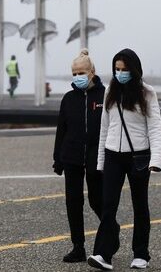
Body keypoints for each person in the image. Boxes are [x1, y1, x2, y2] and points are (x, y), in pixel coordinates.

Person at [88, 49, 161, 271]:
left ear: (134, 70)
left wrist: (156, 159)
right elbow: (104, 127)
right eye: (117, 69)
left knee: (140, 205)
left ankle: (141, 254)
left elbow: (156, 128)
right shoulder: (110, 91)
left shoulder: (147, 93)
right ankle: (103, 254)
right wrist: (101, 161)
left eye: (124, 69)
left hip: (138, 156)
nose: (120, 73)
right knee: (108, 205)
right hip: (113, 154)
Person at [53, 49, 105, 263]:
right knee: (73, 202)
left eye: (81, 73)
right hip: (72, 157)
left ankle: (110, 233)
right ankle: (78, 247)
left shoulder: (104, 96)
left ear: (92, 72)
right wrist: (58, 159)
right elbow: (61, 130)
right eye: (74, 73)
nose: (77, 77)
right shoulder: (68, 98)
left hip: (96, 157)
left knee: (97, 200)